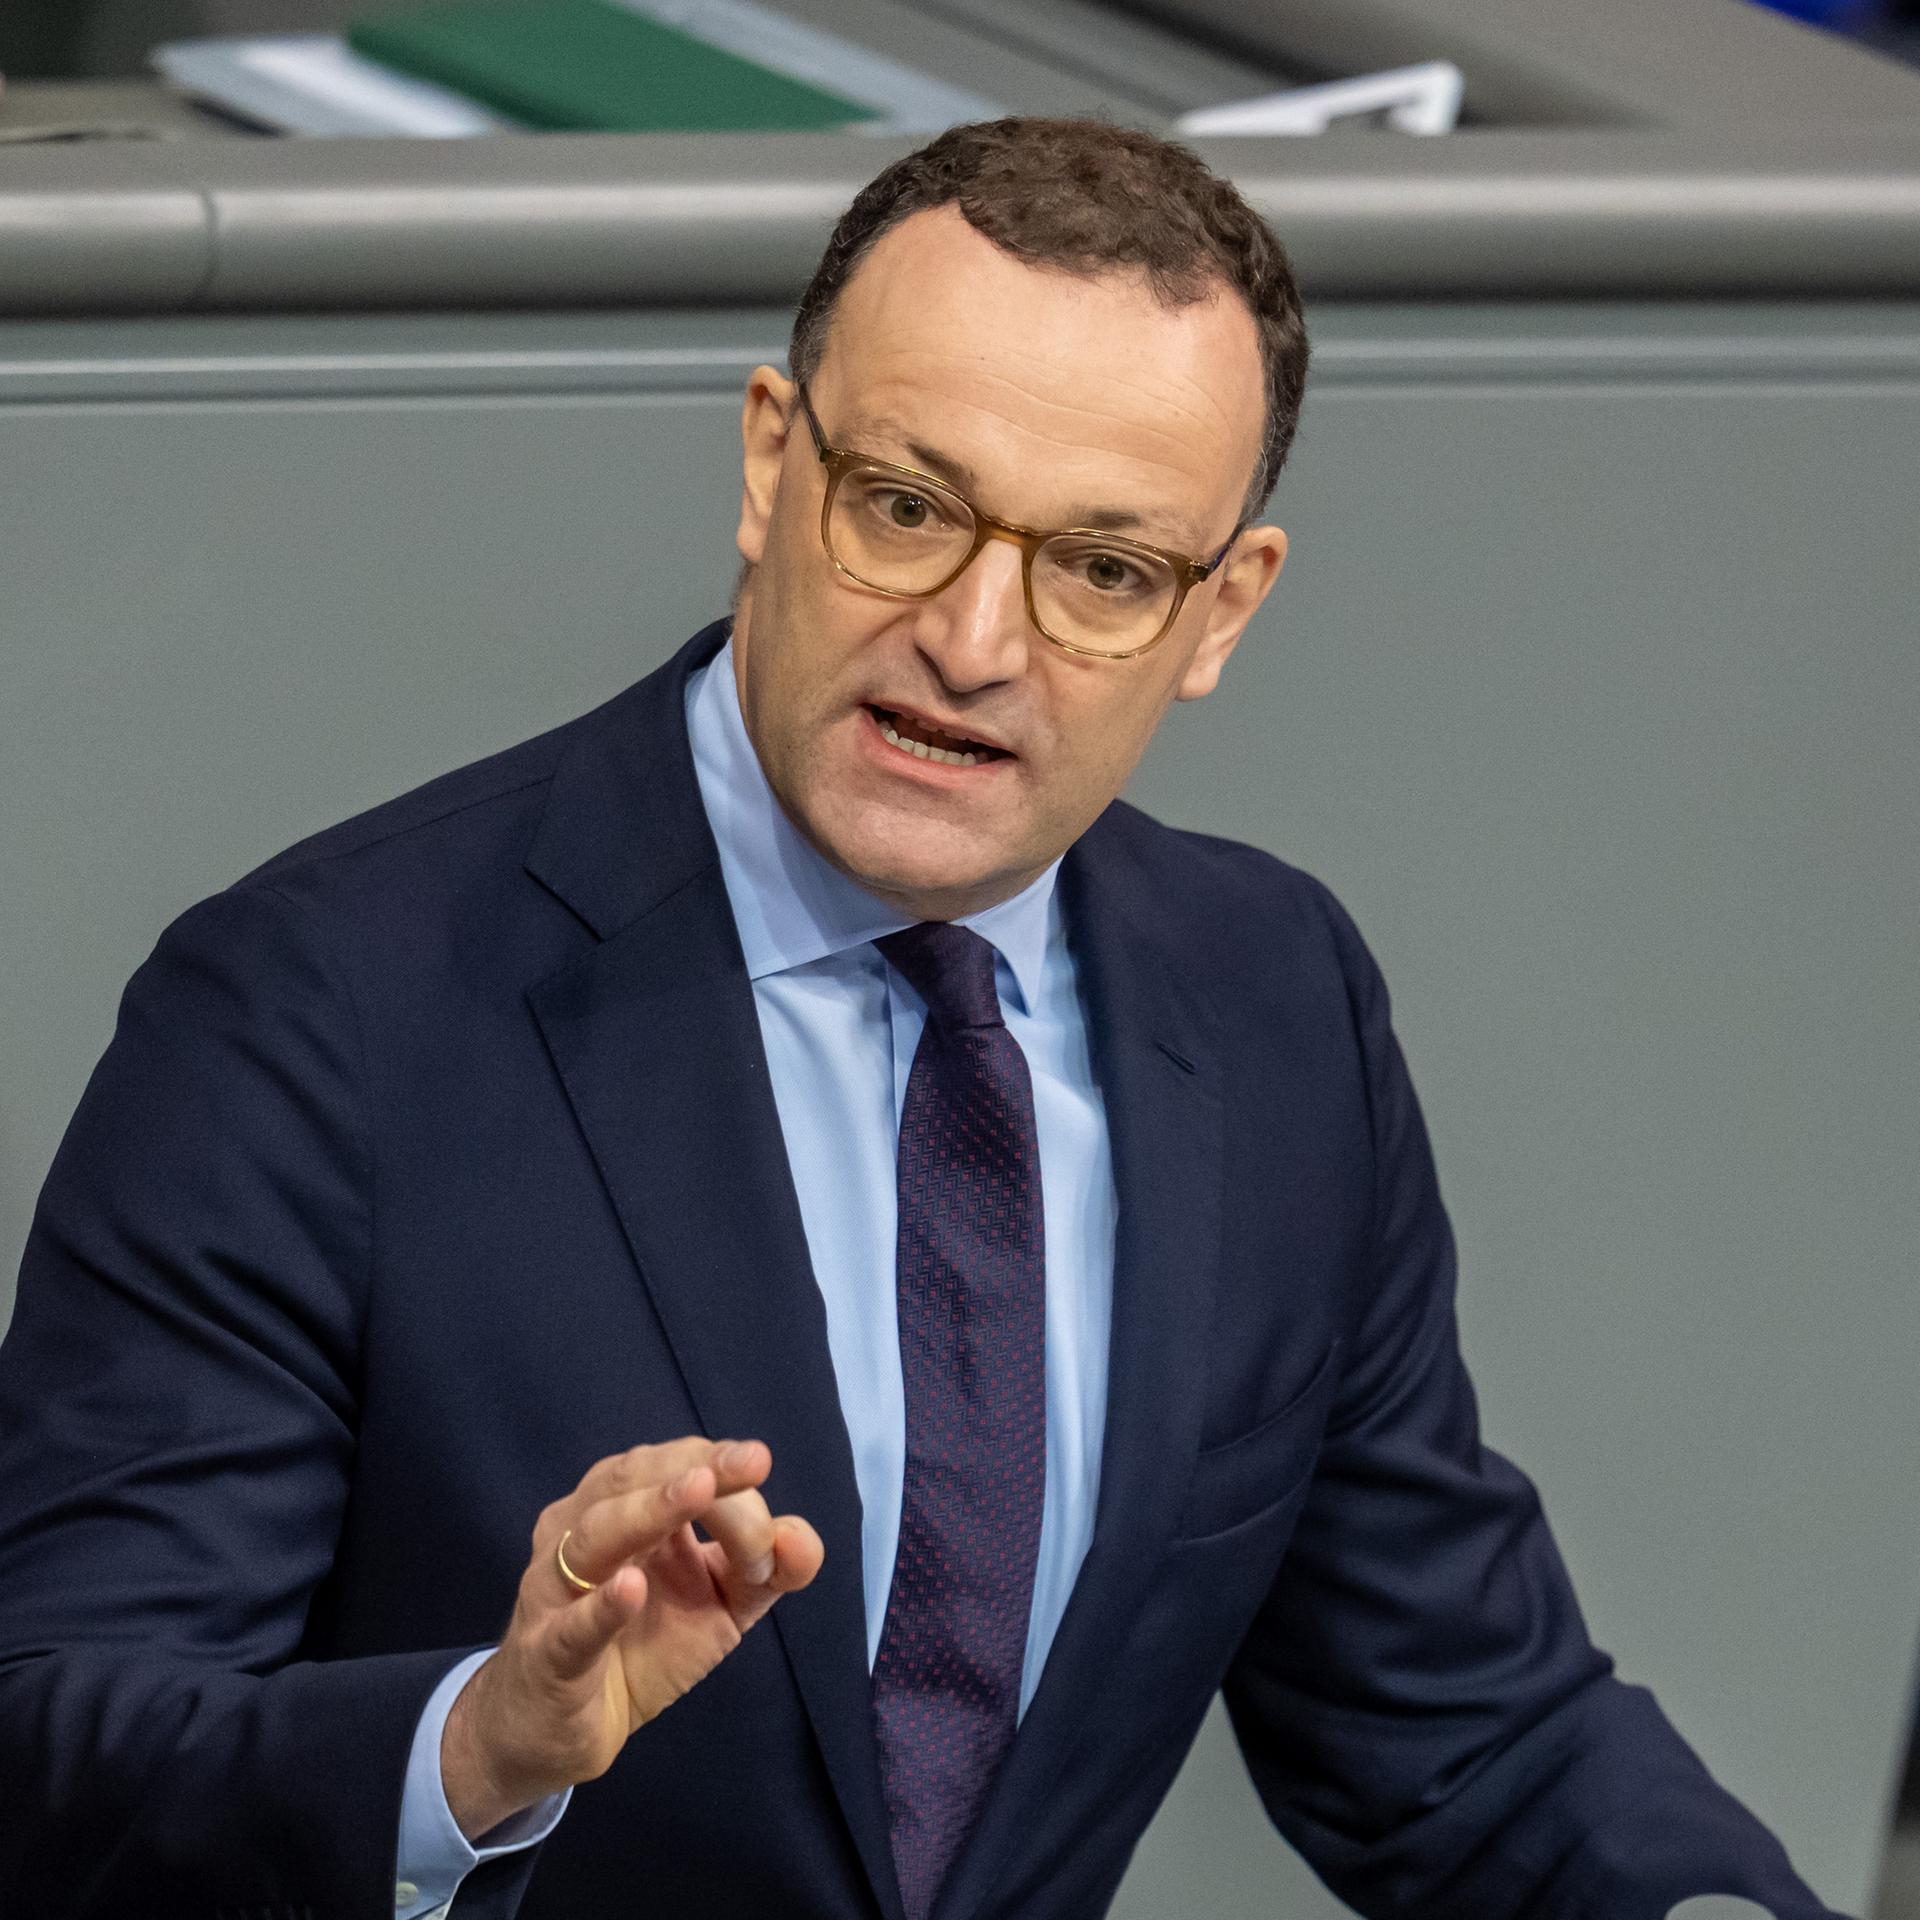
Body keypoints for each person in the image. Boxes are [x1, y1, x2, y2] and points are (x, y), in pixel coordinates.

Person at [0, 118, 1844, 1920]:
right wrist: (476, 1749)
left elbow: (1466, 1739)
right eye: (907, 507)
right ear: (768, 464)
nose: (975, 641)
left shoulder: (1276, 1003)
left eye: (1105, 571)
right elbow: (52, 1755)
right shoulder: (320, 1012)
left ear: (1221, 613)